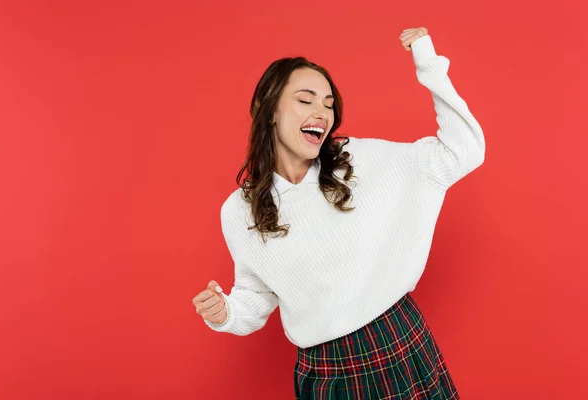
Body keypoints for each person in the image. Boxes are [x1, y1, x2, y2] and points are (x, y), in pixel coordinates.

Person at [192, 27, 485, 399]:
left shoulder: (355, 161)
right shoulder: (239, 211)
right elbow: (257, 293)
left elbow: (463, 152)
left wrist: (428, 64)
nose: (322, 112)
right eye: (305, 99)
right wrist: (226, 313)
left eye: (329, 103)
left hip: (396, 342)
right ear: (268, 111)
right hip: (325, 370)